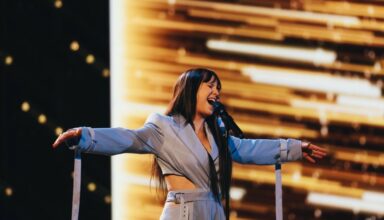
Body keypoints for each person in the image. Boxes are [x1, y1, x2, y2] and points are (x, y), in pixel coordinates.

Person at [52, 68, 327, 220]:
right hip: (183, 212)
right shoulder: (163, 127)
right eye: (210, 86)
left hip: (214, 212)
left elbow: (246, 149)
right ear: (190, 90)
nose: (216, 92)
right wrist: (85, 136)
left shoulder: (217, 132)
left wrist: (293, 148)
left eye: (218, 88)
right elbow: (127, 138)